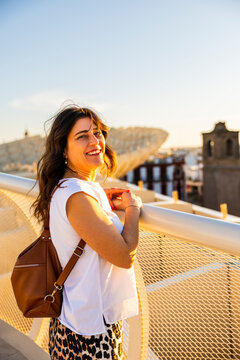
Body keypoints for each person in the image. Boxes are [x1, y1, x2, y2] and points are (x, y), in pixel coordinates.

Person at [32, 105, 142, 360]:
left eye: (97, 132)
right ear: (63, 150)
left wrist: (99, 199)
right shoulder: (79, 197)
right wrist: (133, 208)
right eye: (82, 136)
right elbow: (124, 256)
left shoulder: (69, 189)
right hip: (87, 334)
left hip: (75, 320)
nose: (95, 141)